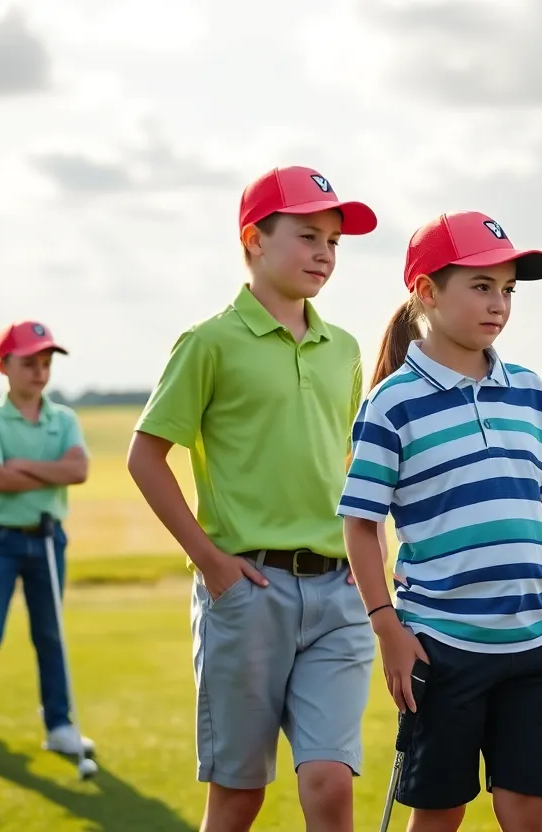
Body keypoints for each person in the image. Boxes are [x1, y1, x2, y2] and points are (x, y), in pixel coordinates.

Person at [126, 165, 378, 832]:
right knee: (239, 798)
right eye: (307, 236)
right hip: (248, 591)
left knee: (329, 783)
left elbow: (351, 465)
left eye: (333, 241)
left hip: (337, 595)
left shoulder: (344, 349)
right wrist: (211, 562)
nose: (323, 253)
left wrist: (368, 552)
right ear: (254, 240)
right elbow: (144, 457)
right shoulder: (208, 343)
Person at [337, 210, 542, 832]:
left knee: (527, 812)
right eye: (481, 286)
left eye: (507, 289)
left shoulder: (530, 392)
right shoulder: (391, 403)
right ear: (425, 290)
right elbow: (361, 524)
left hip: (537, 639)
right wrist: (387, 628)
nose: (499, 303)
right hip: (441, 644)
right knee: (440, 814)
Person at [0, 321, 93, 766]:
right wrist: (49, 467)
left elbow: (79, 472)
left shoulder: (64, 419)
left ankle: (59, 727)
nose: (39, 371)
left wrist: (23, 466)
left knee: (49, 636)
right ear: (4, 366)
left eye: (46, 363)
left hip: (49, 538)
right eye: (29, 362)